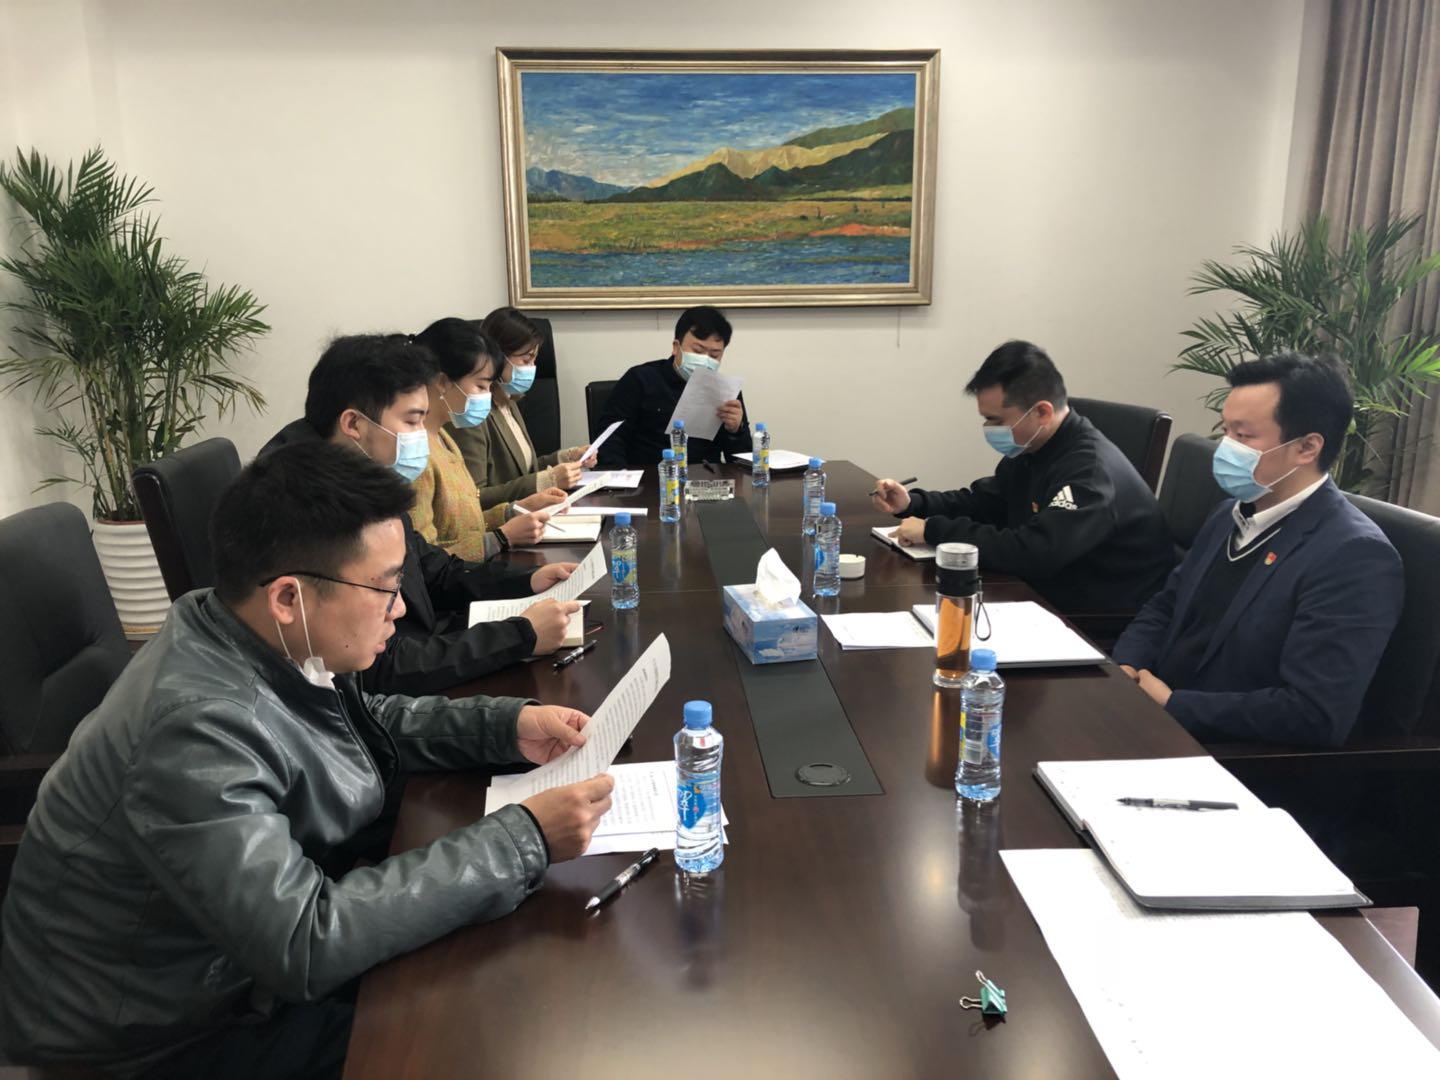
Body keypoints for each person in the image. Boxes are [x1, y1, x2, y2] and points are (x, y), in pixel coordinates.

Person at [0, 441, 616, 1078]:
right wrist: (523, 839)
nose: (401, 607)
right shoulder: (191, 731)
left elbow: (361, 719)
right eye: (384, 587)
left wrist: (504, 725)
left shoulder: (245, 628)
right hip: (163, 1038)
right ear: (289, 598)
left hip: (234, 963)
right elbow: (306, 941)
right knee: (476, 1032)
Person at [1112, 351, 1403, 746]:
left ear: (1307, 448)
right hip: (1151, 716)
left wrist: (1173, 705)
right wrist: (1127, 666)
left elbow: (1314, 714)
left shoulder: (1354, 556)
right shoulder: (1228, 514)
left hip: (1232, 755)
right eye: (1226, 430)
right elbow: (1167, 605)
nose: (1225, 448)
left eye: (1244, 436)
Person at [263, 334, 578, 695]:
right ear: (354, 424)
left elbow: (431, 569)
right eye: (412, 422)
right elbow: (380, 667)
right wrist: (519, 635)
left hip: (419, 651)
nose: (423, 438)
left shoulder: (362, 476)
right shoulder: (311, 508)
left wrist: (527, 581)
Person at [872, 340, 1173, 616]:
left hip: (1098, 615)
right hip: (1045, 592)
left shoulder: (1089, 473)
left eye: (996, 420)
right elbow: (987, 501)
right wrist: (915, 503)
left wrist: (934, 531)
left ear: (1041, 412)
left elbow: (1035, 551)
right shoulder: (1035, 447)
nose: (989, 429)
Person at [409, 317, 566, 561]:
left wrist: (514, 511)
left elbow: (467, 523)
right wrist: (501, 538)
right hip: (463, 580)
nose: (487, 396)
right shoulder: (416, 456)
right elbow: (424, 562)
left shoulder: (443, 438)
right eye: (481, 386)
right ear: (442, 382)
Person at [448, 307, 594, 502]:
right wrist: (548, 480)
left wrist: (568, 457)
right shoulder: (473, 413)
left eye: (534, 360)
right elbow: (473, 498)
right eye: (526, 360)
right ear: (498, 357)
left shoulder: (507, 400)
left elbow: (523, 470)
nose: (532, 368)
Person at [595, 305, 750, 468]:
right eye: (698, 351)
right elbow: (609, 439)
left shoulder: (725, 391)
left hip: (706, 478)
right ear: (676, 347)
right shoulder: (640, 379)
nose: (705, 360)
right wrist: (621, 478)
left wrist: (736, 430)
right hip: (650, 477)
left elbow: (743, 463)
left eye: (714, 355)